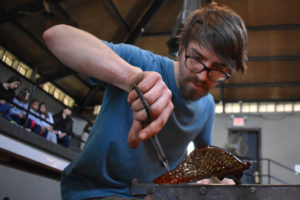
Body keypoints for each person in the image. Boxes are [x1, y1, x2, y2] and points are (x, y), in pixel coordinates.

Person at [43, 2, 247, 200]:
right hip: (97, 191)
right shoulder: (142, 63)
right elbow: (57, 36)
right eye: (197, 58)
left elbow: (203, 156)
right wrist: (130, 77)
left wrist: (219, 180)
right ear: (182, 46)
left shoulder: (207, 106)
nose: (203, 76)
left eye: (218, 69)